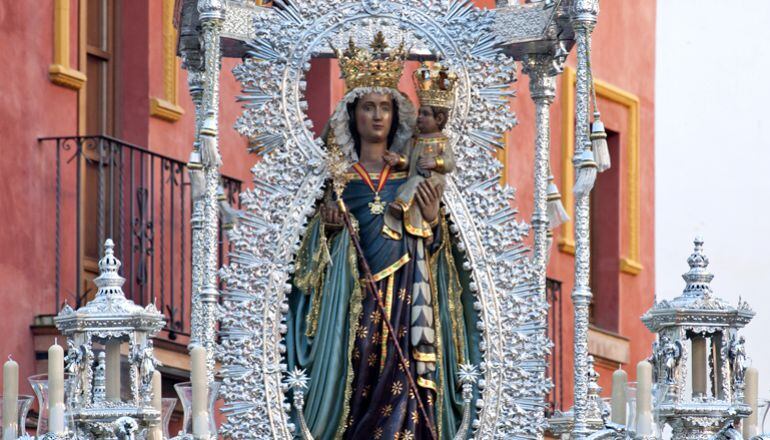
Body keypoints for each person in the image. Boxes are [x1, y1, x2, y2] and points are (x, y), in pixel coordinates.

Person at [285, 33, 481, 440]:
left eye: (385, 108)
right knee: (358, 365)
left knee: (407, 370)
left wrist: (430, 221)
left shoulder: (412, 175)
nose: (377, 116)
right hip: (352, 298)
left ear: (397, 116)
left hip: (410, 291)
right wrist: (332, 228)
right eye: (368, 107)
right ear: (352, 114)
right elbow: (306, 258)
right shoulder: (336, 181)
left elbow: (443, 254)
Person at [385, 63, 457, 241]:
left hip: (432, 182)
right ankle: (422, 230)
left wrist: (436, 162)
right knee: (407, 186)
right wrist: (399, 160)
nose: (419, 118)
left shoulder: (442, 142)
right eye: (419, 113)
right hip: (412, 182)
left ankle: (401, 206)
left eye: (425, 114)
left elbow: (450, 162)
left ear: (439, 118)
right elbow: (408, 160)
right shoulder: (415, 140)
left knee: (416, 183)